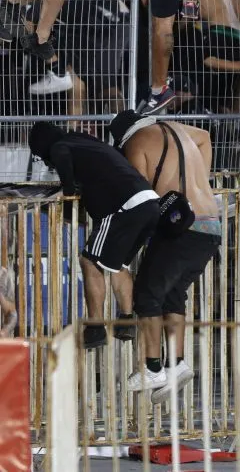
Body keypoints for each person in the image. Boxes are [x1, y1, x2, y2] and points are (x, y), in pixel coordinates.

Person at [107, 111, 220, 401]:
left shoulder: (136, 144)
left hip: (181, 228)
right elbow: (206, 138)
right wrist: (199, 185)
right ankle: (176, 364)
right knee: (172, 294)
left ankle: (152, 366)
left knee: (146, 296)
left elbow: (139, 197)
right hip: (211, 225)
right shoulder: (176, 128)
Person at [27, 122, 160, 350]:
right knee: (117, 264)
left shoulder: (60, 146)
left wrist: (66, 200)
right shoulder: (86, 141)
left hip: (123, 207)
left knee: (89, 261)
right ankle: (127, 321)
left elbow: (65, 172)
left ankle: (96, 327)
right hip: (149, 201)